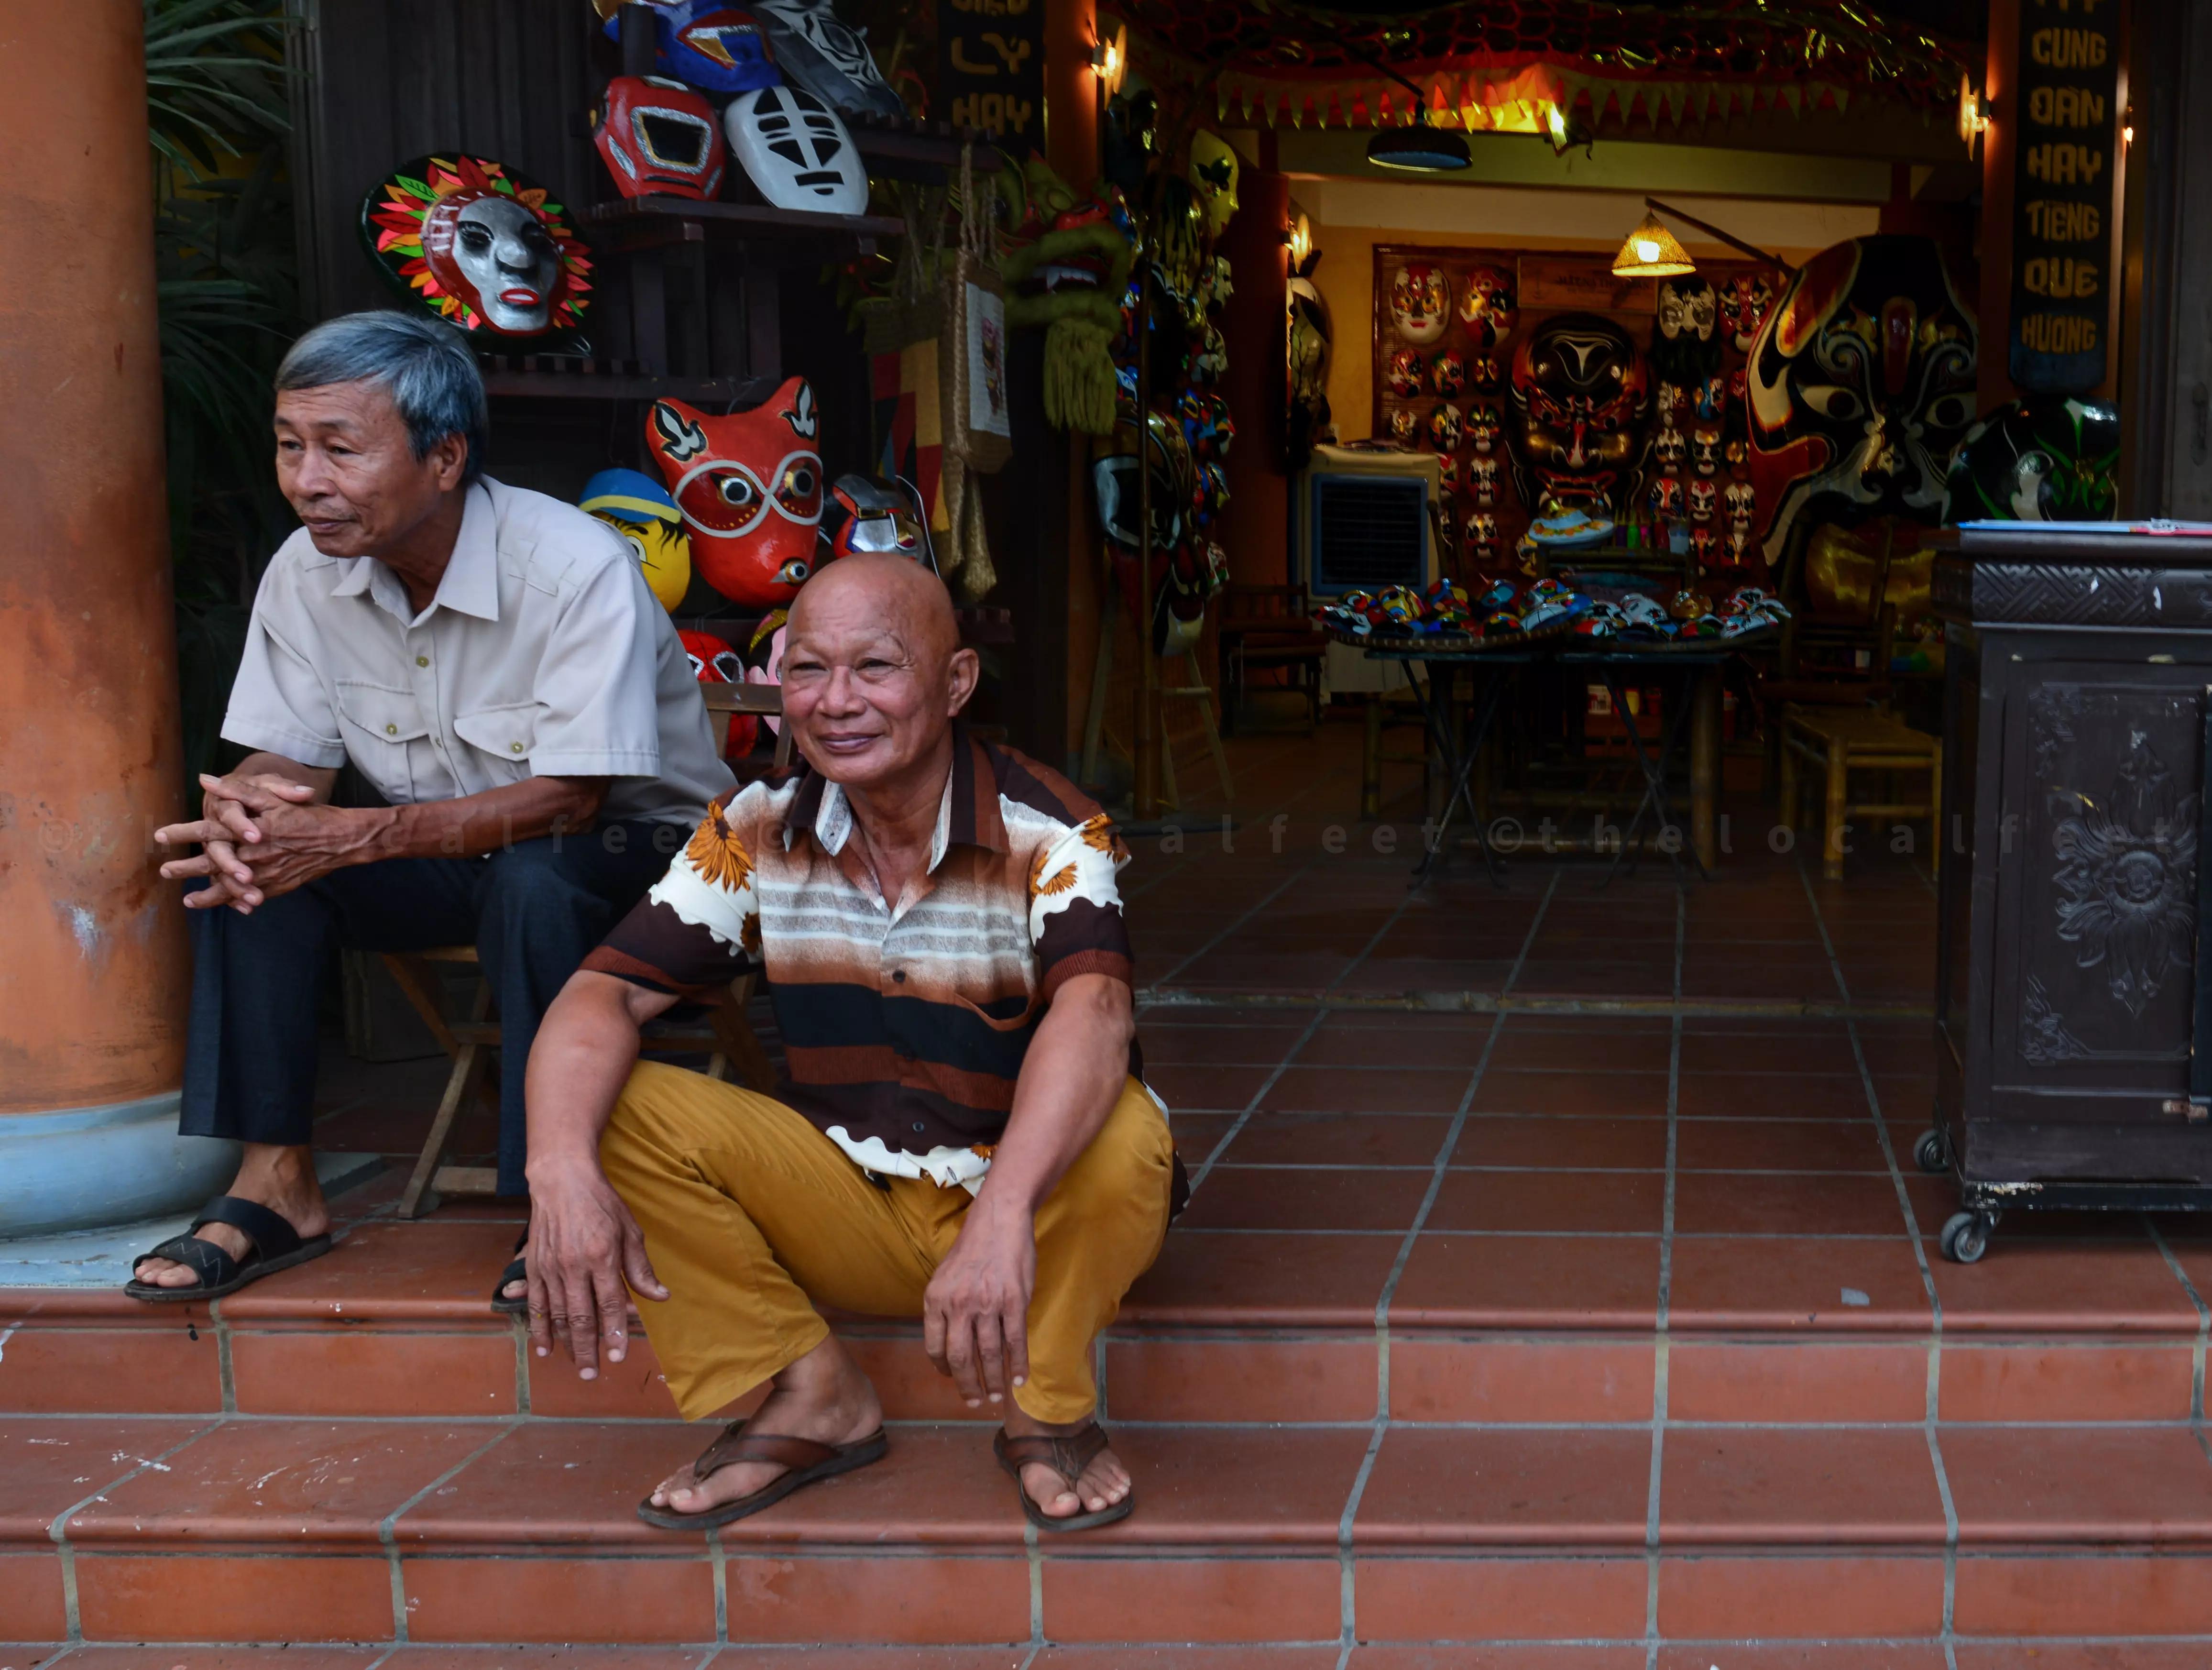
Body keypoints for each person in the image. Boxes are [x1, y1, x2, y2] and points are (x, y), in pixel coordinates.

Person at [524, 553, 1176, 1533]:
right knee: (603, 1100)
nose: (836, 703)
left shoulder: (1052, 829)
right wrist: (555, 1172)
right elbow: (600, 994)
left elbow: (1096, 1012)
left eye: (876, 668)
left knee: (1127, 1131)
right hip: (850, 1205)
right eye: (807, 671)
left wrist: (1003, 1214)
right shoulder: (757, 827)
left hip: (1030, 1221)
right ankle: (813, 1390)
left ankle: (1048, 1414)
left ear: (956, 683)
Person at [131, 311, 734, 1305]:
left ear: (445, 457)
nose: (306, 480)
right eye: (290, 447)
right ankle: (275, 1185)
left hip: (644, 855)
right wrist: (252, 812)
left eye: (340, 450)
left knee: (535, 881)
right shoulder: (304, 574)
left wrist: (353, 835)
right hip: (456, 850)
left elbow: (572, 799)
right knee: (255, 873)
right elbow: (288, 757)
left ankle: (565, 1202)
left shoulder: (574, 566)